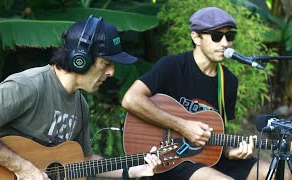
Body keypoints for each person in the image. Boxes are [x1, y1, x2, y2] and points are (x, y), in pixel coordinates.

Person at [0, 15, 161, 179]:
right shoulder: (30, 85)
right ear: (80, 60)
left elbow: (83, 160)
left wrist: (133, 170)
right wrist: (23, 168)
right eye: (106, 63)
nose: (111, 72)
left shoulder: (80, 105)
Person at [122, 7, 290, 180]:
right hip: (171, 158)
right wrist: (183, 126)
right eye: (216, 36)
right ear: (196, 37)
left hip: (208, 157)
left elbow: (218, 133)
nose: (225, 43)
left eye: (229, 36)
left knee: (283, 174)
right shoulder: (172, 66)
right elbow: (131, 99)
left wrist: (230, 151)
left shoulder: (228, 81)